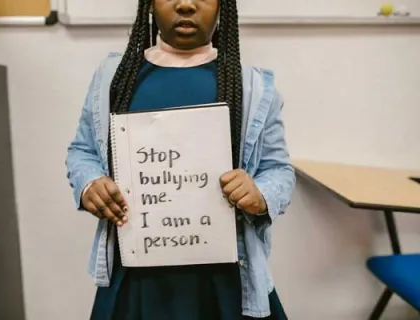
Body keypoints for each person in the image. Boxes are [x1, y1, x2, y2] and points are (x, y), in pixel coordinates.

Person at [65, 0, 296, 319]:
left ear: (222, 6)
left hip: (225, 280)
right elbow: (83, 150)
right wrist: (90, 182)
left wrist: (260, 194)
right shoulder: (114, 78)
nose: (186, 4)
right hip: (136, 273)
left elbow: (278, 170)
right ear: (148, 4)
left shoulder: (252, 86)